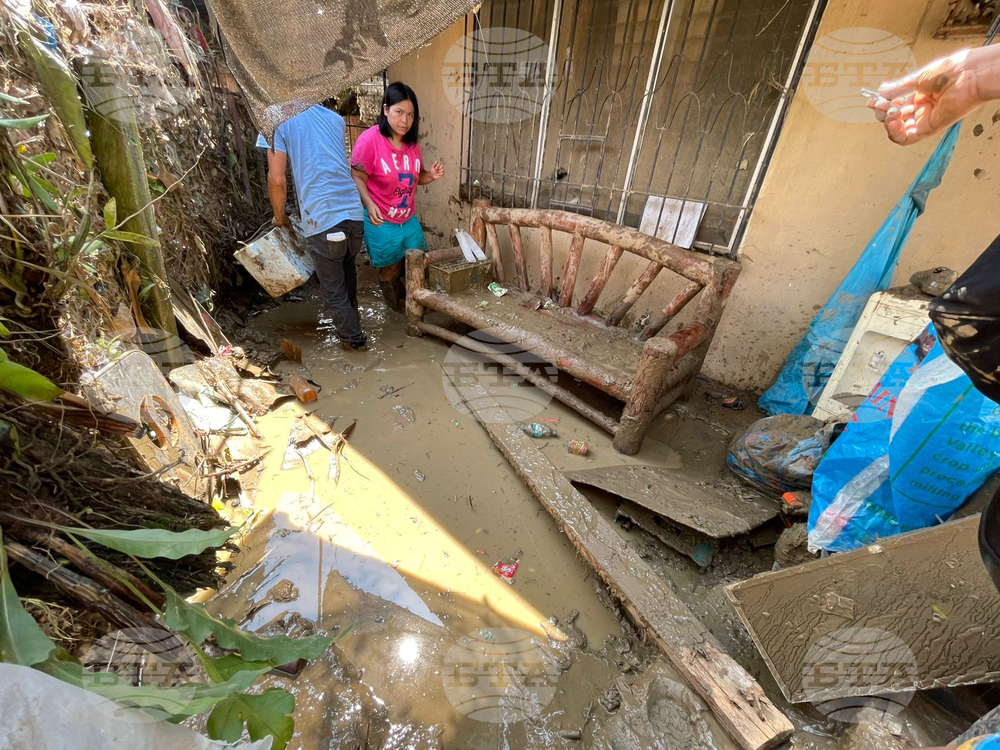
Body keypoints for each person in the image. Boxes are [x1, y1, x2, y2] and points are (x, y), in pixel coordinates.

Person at [256, 103, 368, 351]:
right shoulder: (334, 118)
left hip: (322, 216)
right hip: (354, 214)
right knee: (347, 275)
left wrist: (279, 217)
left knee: (334, 290)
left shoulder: (275, 118)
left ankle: (355, 344)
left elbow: (276, 179)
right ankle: (355, 325)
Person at [350, 82, 445, 313]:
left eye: (410, 115)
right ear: (385, 110)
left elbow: (415, 177)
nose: (405, 120)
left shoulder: (412, 144)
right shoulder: (369, 140)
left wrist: (430, 176)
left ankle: (416, 309)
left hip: (408, 218)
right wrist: (369, 203)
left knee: (419, 263)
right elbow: (357, 175)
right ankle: (397, 312)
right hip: (381, 220)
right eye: (399, 112)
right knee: (390, 268)